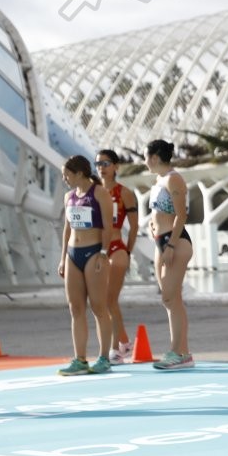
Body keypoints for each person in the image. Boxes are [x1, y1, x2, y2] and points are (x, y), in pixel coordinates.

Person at [57, 155, 114, 375]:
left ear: (80, 173)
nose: (64, 178)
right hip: (73, 254)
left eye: (67, 174)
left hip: (93, 252)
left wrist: (103, 253)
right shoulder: (69, 196)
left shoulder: (100, 193)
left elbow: (108, 226)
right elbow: (67, 229)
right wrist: (63, 258)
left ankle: (104, 357)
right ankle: (80, 359)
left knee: (98, 307)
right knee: (75, 308)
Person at [145, 139, 195, 370]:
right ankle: (182, 353)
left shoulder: (174, 179)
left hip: (175, 242)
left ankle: (177, 351)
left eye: (146, 157)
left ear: (154, 157)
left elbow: (181, 215)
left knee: (168, 296)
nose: (145, 161)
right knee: (171, 300)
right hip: (160, 241)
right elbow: (158, 211)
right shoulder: (159, 181)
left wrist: (171, 246)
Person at [95, 149, 139, 364]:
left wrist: (128, 252)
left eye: (105, 163)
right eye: (98, 164)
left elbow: (133, 227)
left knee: (109, 299)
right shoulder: (93, 191)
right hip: (96, 248)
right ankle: (124, 341)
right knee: (104, 301)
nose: (101, 167)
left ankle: (115, 349)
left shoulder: (124, 193)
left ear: (115, 167)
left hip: (117, 247)